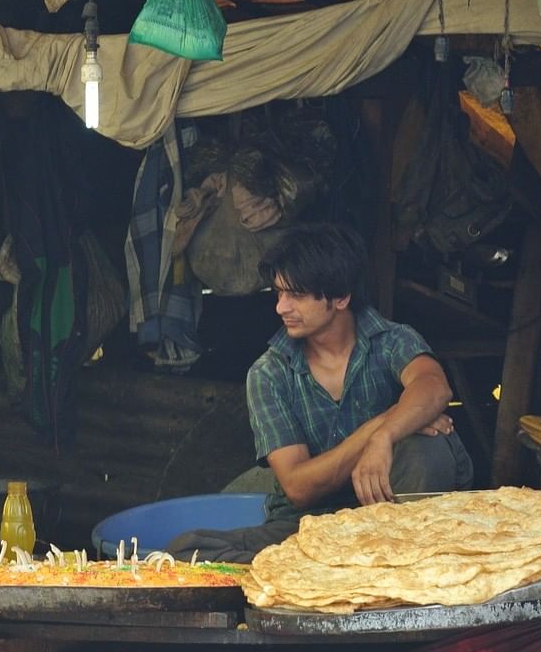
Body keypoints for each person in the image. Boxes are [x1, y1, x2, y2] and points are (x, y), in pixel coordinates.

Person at [167, 223, 473, 563]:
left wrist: (388, 435)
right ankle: (349, 566)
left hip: (392, 525)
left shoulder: (392, 341)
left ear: (340, 297)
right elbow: (298, 486)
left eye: (295, 295)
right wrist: (381, 428)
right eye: (279, 293)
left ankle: (383, 568)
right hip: (310, 526)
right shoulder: (270, 373)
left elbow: (433, 387)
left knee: (427, 449)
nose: (281, 308)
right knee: (187, 551)